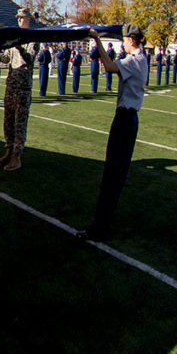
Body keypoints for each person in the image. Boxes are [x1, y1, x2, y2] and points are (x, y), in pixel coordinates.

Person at [76, 25, 146, 242]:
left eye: (124, 39)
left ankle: (99, 228)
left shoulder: (134, 61)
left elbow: (108, 66)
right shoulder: (143, 59)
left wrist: (96, 40)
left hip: (124, 120)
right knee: (117, 173)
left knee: (112, 175)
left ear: (132, 40)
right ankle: (105, 221)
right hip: (130, 119)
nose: (123, 43)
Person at [0, 8, 38, 171]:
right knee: (8, 121)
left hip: (23, 87)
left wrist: (19, 47)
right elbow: (6, 58)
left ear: (28, 19)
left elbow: (30, 59)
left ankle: (16, 156)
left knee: (19, 123)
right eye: (18, 18)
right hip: (11, 85)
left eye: (22, 18)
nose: (19, 20)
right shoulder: (13, 37)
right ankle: (8, 151)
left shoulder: (32, 39)